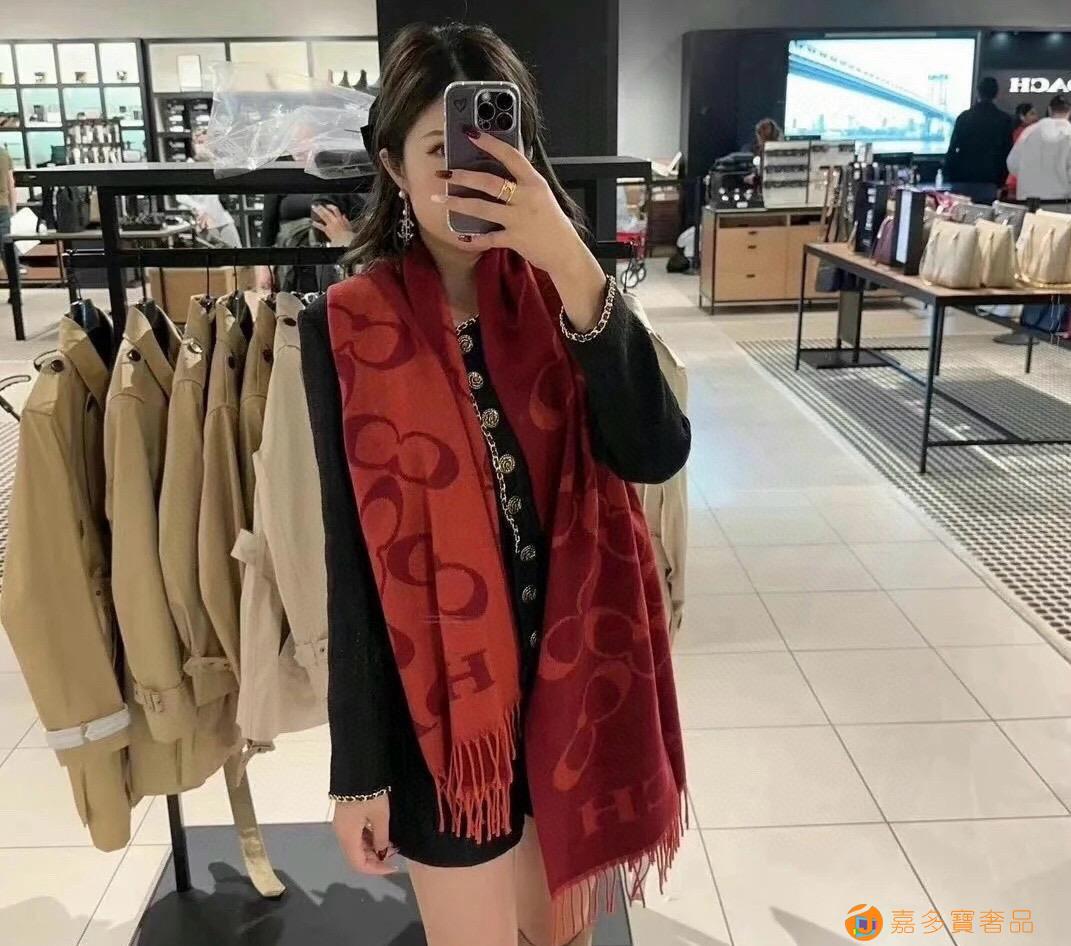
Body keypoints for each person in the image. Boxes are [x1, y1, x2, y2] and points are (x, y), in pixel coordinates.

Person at [301, 22, 689, 946]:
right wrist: (357, 771)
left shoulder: (570, 296)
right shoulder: (345, 325)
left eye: (491, 145)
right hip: (440, 716)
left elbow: (654, 450)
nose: (465, 173)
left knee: (563, 939)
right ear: (392, 165)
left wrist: (573, 264)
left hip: (576, 688)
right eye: (440, 152)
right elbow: (349, 560)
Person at [944, 76, 1015, 203]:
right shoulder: (1004, 120)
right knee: (984, 213)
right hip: (989, 179)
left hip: (962, 177)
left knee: (958, 212)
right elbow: (1007, 152)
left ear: (978, 92)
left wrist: (948, 175)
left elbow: (953, 148)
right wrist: (1001, 180)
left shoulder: (964, 117)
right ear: (996, 94)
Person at [1007, 94, 1071, 201]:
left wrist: (1030, 176)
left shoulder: (1029, 131)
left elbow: (1012, 163)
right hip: (1062, 201)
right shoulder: (1069, 133)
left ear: (1049, 110)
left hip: (1029, 200)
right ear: (1069, 111)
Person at [1005, 102, 1039, 198]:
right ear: (1022, 116)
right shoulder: (1021, 133)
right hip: (1019, 177)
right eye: (1032, 114)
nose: (1036, 117)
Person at [0, 145, 14, 302]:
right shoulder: (3, 154)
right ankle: (15, 292)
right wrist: (13, 208)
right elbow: (11, 183)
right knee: (7, 251)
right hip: (2, 207)